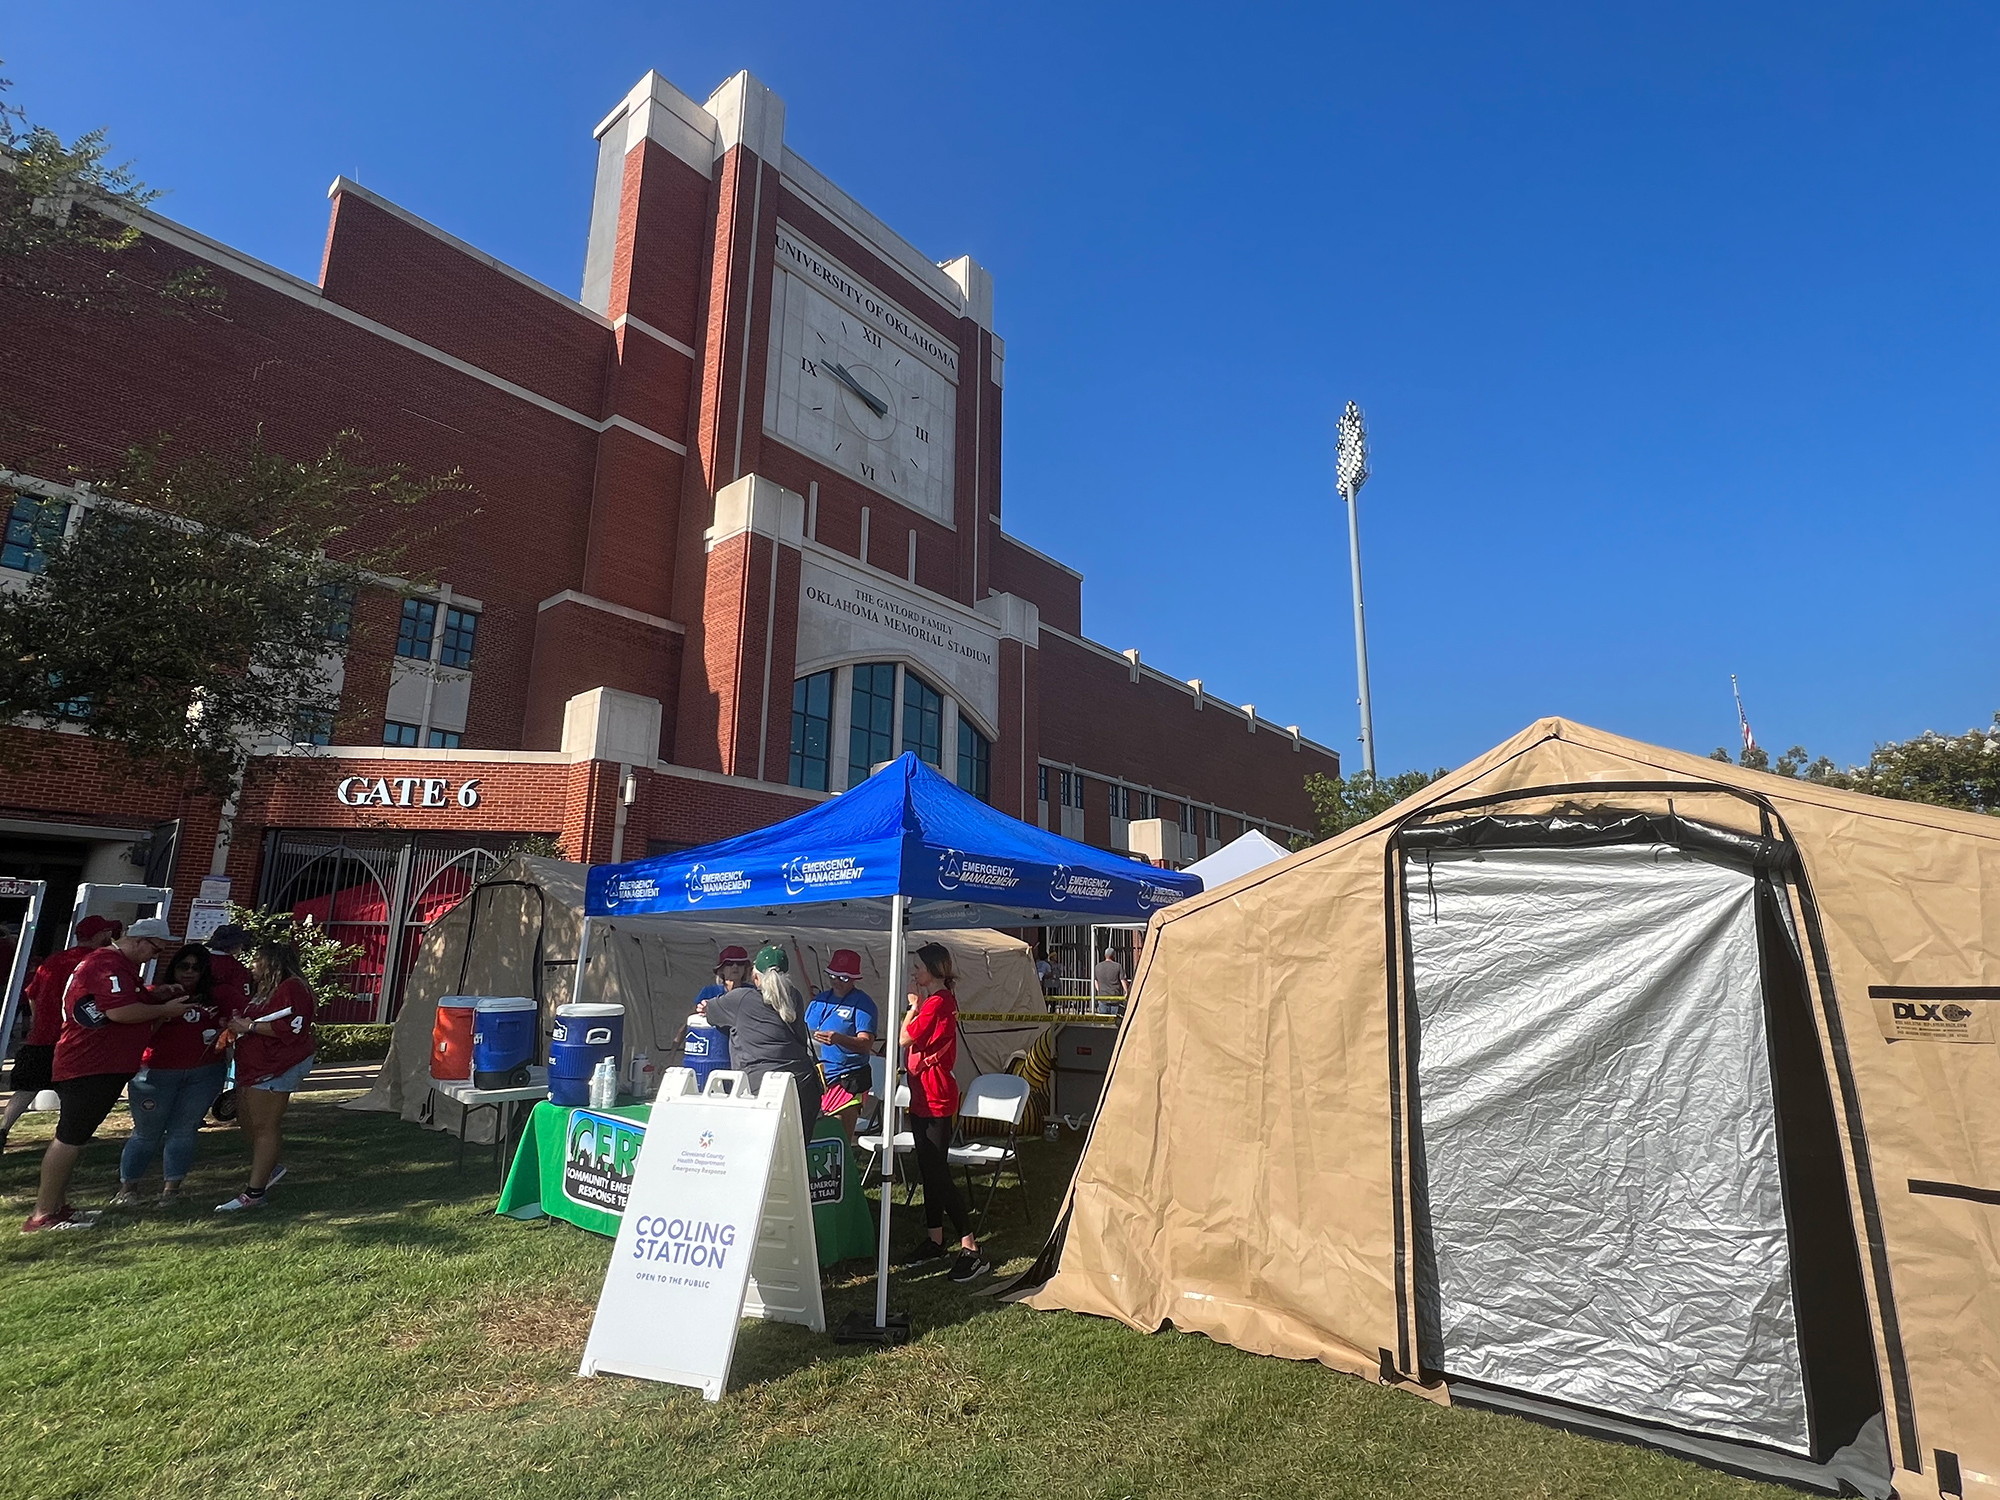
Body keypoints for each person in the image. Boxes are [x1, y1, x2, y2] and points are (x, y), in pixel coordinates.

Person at [23, 916, 189, 1233]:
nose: (155, 957)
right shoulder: (107, 964)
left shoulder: (118, 965)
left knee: (75, 1138)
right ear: (140, 941)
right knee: (69, 1139)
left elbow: (126, 999)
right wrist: (165, 1010)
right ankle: (42, 1214)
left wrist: (156, 994)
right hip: (90, 1064)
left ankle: (57, 1207)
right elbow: (120, 1011)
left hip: (101, 1063)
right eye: (155, 949)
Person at [111, 945, 234, 1207]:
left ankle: (171, 1191)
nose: (189, 972)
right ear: (173, 968)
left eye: (196, 968)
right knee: (146, 1133)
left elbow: (232, 1025)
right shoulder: (155, 994)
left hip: (204, 1072)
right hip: (155, 1073)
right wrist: (164, 1010)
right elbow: (138, 1033)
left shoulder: (217, 996)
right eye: (183, 966)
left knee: (184, 1130)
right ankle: (127, 1190)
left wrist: (226, 1031)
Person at [901, 942, 989, 1284]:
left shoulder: (937, 1003)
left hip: (936, 1096)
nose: (914, 973)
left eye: (918, 968)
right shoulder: (936, 1001)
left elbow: (905, 1038)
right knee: (927, 1168)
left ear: (935, 969)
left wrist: (912, 1007)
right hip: (922, 1096)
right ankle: (935, 1238)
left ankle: (971, 1246)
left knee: (938, 1172)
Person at [1, 915, 121, 1153]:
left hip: (43, 1036)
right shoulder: (97, 962)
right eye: (107, 932)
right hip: (76, 1038)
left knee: (27, 1088)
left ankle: (3, 1129)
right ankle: (70, 1135)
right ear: (100, 935)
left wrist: (39, 1022)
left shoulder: (55, 959)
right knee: (75, 1089)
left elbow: (32, 994)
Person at [214, 940, 316, 1213]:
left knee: (264, 1125)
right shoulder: (265, 991)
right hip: (254, 1065)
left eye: (257, 960)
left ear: (272, 963)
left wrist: (250, 1027)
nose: (252, 966)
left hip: (277, 1064)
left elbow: (294, 1027)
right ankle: (269, 1167)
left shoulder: (293, 987)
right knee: (246, 1119)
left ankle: (254, 1193)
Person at [701, 945, 821, 1145]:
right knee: (796, 1154)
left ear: (755, 976)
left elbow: (709, 1012)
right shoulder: (795, 996)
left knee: (758, 1152)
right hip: (803, 1086)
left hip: (762, 1089)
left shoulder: (740, 998)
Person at [805, 948, 877, 1138]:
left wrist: (838, 1039)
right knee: (815, 1138)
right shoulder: (818, 1001)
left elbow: (866, 1044)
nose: (837, 981)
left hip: (847, 1081)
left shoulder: (863, 1004)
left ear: (854, 979)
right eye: (833, 976)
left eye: (844, 978)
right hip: (817, 1080)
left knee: (838, 1138)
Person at [693, 945, 752, 1009]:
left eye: (740, 963)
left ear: (745, 968)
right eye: (729, 963)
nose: (735, 966)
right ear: (721, 969)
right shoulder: (708, 992)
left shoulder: (752, 992)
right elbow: (696, 1011)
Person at [1092, 946, 1127, 1014]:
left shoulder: (1098, 966)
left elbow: (1095, 981)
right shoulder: (1118, 966)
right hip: (1115, 998)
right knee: (1115, 1018)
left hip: (1103, 998)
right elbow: (1123, 980)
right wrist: (1126, 992)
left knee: (1104, 1018)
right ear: (1113, 955)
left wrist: (1099, 990)